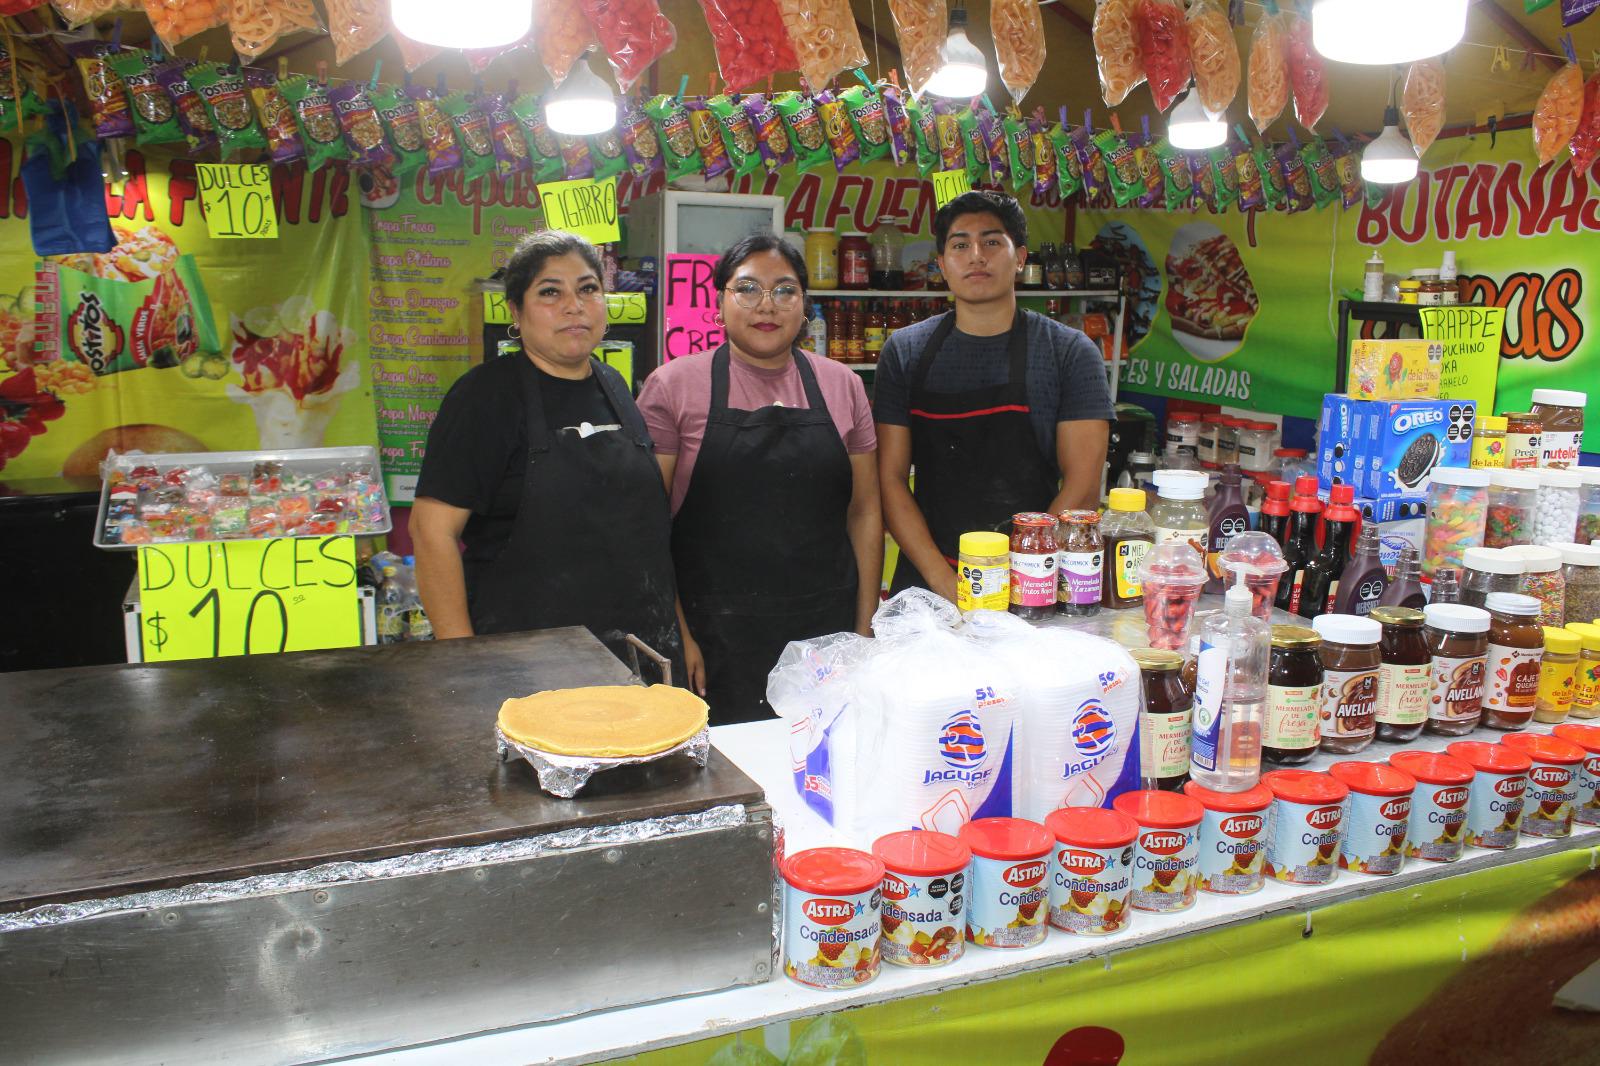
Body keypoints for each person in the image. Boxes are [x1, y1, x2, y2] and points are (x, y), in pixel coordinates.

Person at [411, 231, 681, 672]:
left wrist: (680, 635)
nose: (573, 305)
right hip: (526, 662)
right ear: (515, 311)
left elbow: (650, 535)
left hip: (638, 653)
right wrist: (462, 658)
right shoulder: (484, 397)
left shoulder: (614, 386)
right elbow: (430, 532)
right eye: (550, 292)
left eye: (588, 289)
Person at [638, 234, 881, 723]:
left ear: (805, 304)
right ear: (720, 301)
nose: (766, 306)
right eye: (747, 289)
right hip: (715, 637)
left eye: (785, 290)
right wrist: (678, 633)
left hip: (824, 635)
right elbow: (647, 527)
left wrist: (862, 632)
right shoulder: (674, 386)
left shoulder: (843, 385)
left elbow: (865, 511)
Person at [874, 190, 1113, 601]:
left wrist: (1021, 576)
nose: (976, 256)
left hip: (1034, 578)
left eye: (991, 242)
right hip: (930, 582)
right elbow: (890, 479)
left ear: (1020, 257)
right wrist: (947, 584)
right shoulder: (906, 351)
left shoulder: (1069, 352)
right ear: (941, 264)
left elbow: (1083, 485)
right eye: (960, 245)